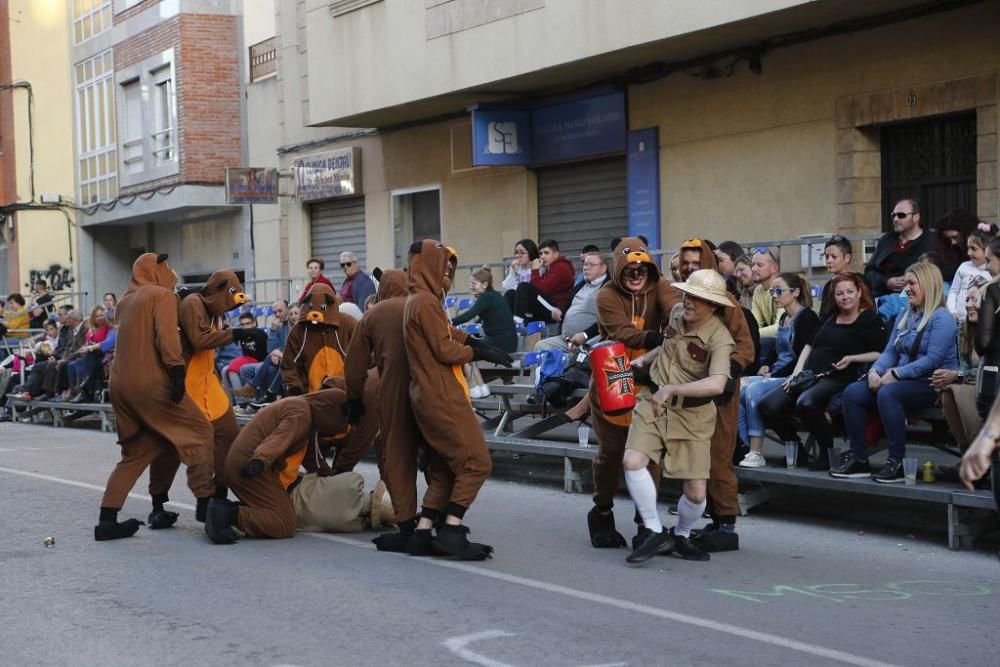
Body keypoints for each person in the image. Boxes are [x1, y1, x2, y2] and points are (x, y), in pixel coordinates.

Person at [95, 253, 216, 541]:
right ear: (156, 270)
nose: (171, 271)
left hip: (120, 384)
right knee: (200, 431)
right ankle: (205, 503)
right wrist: (176, 371)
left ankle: (107, 520)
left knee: (139, 451)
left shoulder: (125, 301)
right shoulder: (161, 295)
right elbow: (166, 336)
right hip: (150, 382)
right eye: (166, 266)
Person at [404, 240, 512, 559]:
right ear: (428, 266)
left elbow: (448, 332)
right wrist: (477, 351)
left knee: (443, 469)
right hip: (442, 396)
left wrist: (474, 339)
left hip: (427, 396)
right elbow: (444, 347)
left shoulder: (420, 300)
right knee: (477, 462)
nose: (449, 270)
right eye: (444, 264)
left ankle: (423, 531)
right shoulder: (425, 302)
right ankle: (451, 529)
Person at [623, 269, 735, 563]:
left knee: (697, 493)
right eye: (687, 294)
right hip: (654, 401)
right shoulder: (675, 314)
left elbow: (717, 383)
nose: (687, 301)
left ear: (712, 305)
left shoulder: (720, 338)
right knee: (632, 461)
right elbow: (668, 345)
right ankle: (655, 530)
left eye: (696, 298)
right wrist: (647, 358)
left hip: (692, 414)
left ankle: (681, 535)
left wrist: (673, 388)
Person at [205, 387, 392, 543]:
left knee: (279, 509)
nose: (343, 427)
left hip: (253, 465)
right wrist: (260, 460)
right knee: (284, 523)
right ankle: (226, 515)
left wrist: (332, 478)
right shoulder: (300, 413)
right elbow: (280, 437)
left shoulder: (306, 416)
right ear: (331, 409)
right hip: (251, 468)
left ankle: (224, 509)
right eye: (344, 420)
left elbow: (313, 461)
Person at [586, 238, 678, 549]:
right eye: (629, 270)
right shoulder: (607, 295)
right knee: (612, 452)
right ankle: (601, 511)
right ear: (619, 270)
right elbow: (621, 332)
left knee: (648, 452)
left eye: (642, 269)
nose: (636, 275)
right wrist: (658, 337)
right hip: (615, 371)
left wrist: (682, 317)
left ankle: (646, 524)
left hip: (649, 375)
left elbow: (674, 306)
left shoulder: (660, 285)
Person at [833, 261, 957, 482]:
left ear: (928, 285)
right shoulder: (905, 315)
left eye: (912, 283)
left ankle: (896, 462)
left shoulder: (942, 318)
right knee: (853, 393)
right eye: (906, 283)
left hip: (929, 382)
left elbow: (932, 360)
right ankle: (859, 459)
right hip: (899, 377)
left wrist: (897, 374)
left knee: (888, 393)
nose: (906, 288)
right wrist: (875, 371)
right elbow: (889, 351)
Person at [672, 239, 756, 553]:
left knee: (719, 457)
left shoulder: (725, 301)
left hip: (719, 393)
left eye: (697, 262)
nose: (691, 267)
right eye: (687, 263)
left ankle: (727, 525)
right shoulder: (681, 304)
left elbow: (745, 347)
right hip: (689, 392)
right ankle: (700, 520)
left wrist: (727, 376)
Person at [758, 273, 885, 470]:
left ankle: (827, 454)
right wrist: (796, 372)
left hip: (837, 376)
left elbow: (880, 353)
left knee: (806, 403)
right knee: (767, 405)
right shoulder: (832, 318)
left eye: (850, 292)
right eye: (840, 293)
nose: (845, 297)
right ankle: (798, 452)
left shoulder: (869, 319)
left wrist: (853, 358)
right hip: (809, 375)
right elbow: (809, 344)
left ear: (860, 292)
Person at [737, 273, 820, 469]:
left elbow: (802, 357)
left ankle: (757, 452)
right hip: (776, 373)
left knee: (752, 391)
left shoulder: (806, 317)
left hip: (791, 377)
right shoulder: (784, 317)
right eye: (773, 291)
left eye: (778, 291)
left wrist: (773, 373)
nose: (774, 295)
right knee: (737, 387)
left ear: (795, 292)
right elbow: (779, 350)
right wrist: (767, 366)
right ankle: (744, 446)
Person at [934, 277, 985, 451]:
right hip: (973, 382)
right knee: (947, 392)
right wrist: (952, 375)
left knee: (958, 389)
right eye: (967, 299)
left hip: (992, 384)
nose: (969, 304)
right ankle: (966, 450)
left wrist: (957, 375)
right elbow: (964, 368)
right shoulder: (964, 329)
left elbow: (993, 370)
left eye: (975, 299)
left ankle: (978, 452)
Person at [451, 266, 517, 398]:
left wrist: (447, 323)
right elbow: (478, 319)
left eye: (474, 284)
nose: (471, 287)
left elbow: (467, 316)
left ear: (485, 284)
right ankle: (480, 386)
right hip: (506, 341)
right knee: (471, 346)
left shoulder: (486, 298)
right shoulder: (492, 296)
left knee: (466, 349)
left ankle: (475, 387)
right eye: (471, 283)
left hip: (501, 342)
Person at [535, 249, 610, 353]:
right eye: (585, 264)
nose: (586, 268)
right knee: (541, 346)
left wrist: (585, 335)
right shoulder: (580, 286)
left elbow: (608, 320)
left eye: (591, 265)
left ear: (603, 268)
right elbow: (567, 309)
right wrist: (559, 314)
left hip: (591, 340)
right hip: (567, 340)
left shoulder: (609, 289)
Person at [865, 198, 934, 297]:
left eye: (901, 215)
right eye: (894, 215)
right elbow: (869, 272)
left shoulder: (931, 241)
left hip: (917, 298)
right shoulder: (886, 240)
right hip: (882, 298)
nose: (896, 219)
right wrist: (886, 282)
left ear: (916, 217)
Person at [237, 299, 289, 407]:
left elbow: (289, 348)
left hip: (284, 361)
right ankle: (254, 400)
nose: (277, 315)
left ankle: (262, 398)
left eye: (280, 311)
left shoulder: (292, 326)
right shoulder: (277, 326)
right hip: (275, 360)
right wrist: (273, 331)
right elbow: (271, 349)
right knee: (244, 369)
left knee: (266, 369)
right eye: (275, 312)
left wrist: (277, 353)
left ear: (287, 309)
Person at [510, 239, 576, 323]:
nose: (542, 257)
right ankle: (509, 323)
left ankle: (518, 324)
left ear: (556, 254)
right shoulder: (550, 267)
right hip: (545, 304)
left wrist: (535, 270)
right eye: (541, 253)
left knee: (524, 286)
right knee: (511, 294)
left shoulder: (561, 267)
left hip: (555, 309)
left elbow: (542, 290)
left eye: (546, 253)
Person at [974, 236, 1000, 420]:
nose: (986, 266)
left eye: (989, 260)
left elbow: (983, 341)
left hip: (994, 375)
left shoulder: (991, 290)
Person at [66, 305, 113, 403]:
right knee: (72, 364)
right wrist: (87, 347)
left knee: (88, 357)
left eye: (101, 315)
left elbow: (107, 344)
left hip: (105, 355)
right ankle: (77, 391)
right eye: (97, 316)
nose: (100, 318)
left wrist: (90, 347)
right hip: (92, 356)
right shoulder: (91, 329)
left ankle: (84, 390)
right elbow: (87, 343)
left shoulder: (108, 327)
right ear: (93, 318)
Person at [225, 313, 268, 413]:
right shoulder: (243, 335)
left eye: (248, 323)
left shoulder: (260, 333)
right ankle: (233, 402)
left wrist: (238, 332)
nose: (245, 327)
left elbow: (261, 353)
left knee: (233, 368)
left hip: (259, 360)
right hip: (247, 359)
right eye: (242, 325)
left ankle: (242, 403)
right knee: (224, 370)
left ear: (254, 323)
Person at [818, 235, 869, 320]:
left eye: (834, 257)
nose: (829, 261)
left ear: (847, 258)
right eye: (827, 257)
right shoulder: (828, 285)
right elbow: (824, 316)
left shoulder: (860, 280)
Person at [945, 228, 990, 321]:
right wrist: (952, 311)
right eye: (968, 248)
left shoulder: (992, 271)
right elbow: (953, 291)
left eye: (973, 249)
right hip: (958, 320)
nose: (969, 253)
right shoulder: (964, 266)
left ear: (987, 250)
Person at [935, 209, 981, 284]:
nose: (952, 242)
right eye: (948, 238)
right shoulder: (949, 249)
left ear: (966, 232)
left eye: (955, 237)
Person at [750, 248, 781, 338]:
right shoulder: (758, 290)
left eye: (759, 265)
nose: (753, 269)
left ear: (774, 268)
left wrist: (751, 334)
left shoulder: (782, 288)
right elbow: (755, 324)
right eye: (752, 264)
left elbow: (779, 329)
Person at [501, 238, 538, 309]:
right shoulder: (516, 268)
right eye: (516, 252)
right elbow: (505, 288)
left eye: (522, 253)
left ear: (530, 253)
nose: (518, 256)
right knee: (509, 294)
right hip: (517, 302)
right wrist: (513, 273)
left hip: (532, 302)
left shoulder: (537, 267)